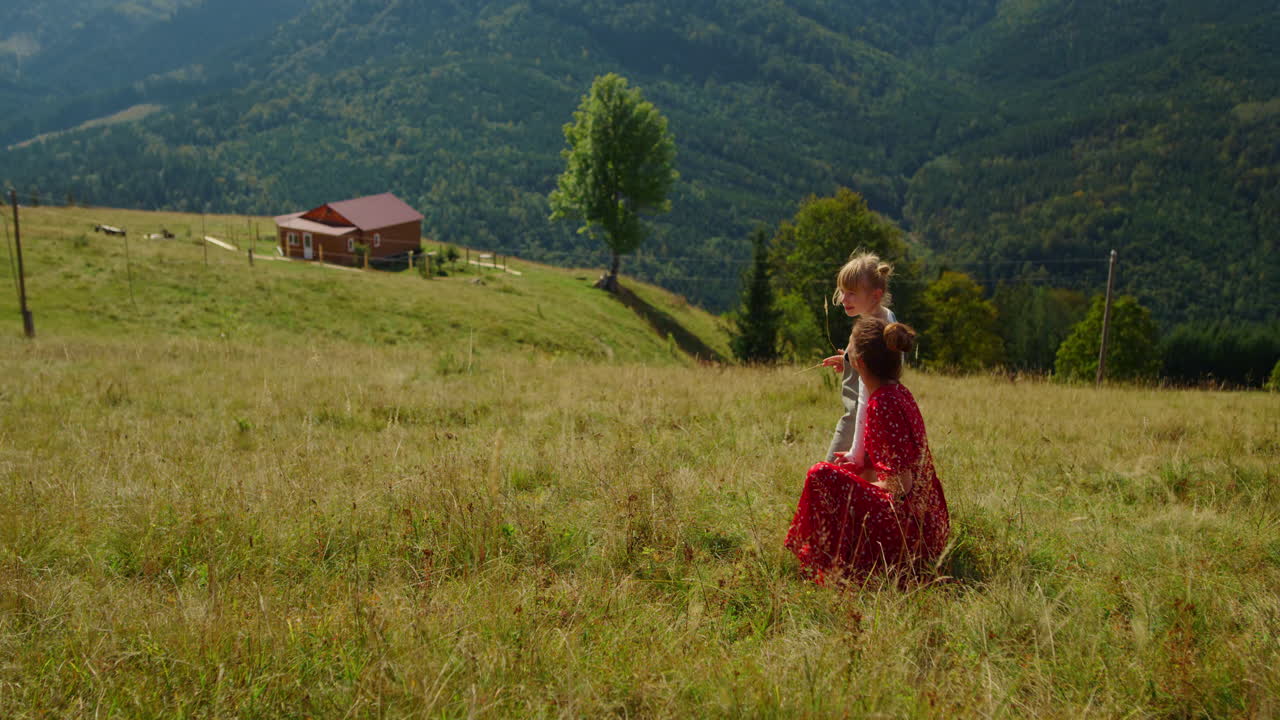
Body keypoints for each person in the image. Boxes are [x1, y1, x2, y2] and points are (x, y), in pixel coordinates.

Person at [785, 318, 949, 581]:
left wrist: (849, 486)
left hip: (910, 533)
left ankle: (824, 568)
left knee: (821, 475)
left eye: (849, 346)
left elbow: (900, 485)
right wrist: (858, 474)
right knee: (842, 477)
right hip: (929, 523)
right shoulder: (898, 392)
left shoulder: (882, 404)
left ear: (859, 362)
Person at [821, 253, 896, 467]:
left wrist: (856, 450)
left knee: (831, 472)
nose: (844, 299)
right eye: (842, 291)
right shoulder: (887, 318)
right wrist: (847, 360)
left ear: (875, 295)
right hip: (880, 415)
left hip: (858, 420)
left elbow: (865, 392)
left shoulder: (867, 332)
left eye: (852, 293)